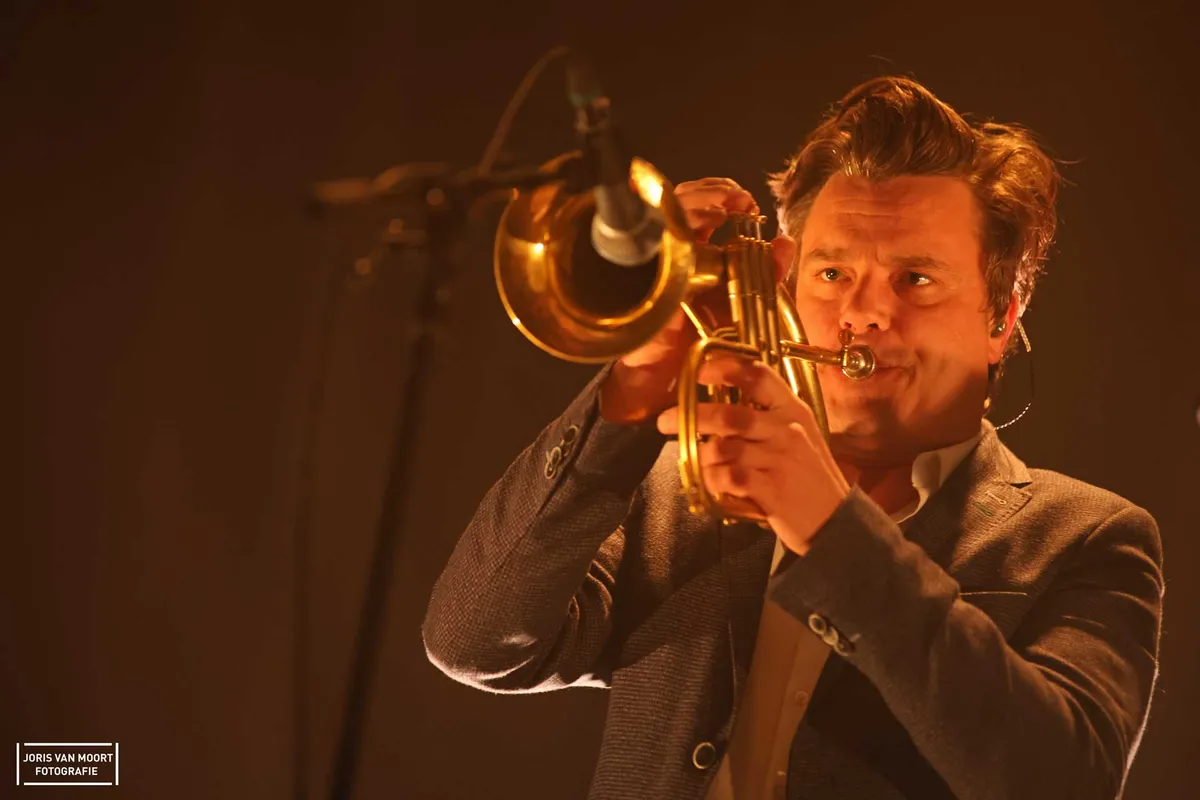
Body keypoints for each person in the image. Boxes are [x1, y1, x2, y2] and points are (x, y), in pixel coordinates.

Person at [421, 76, 1164, 799]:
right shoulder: (680, 491)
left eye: (915, 279)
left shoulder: (1088, 537)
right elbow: (473, 642)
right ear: (787, 284)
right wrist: (632, 390)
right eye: (832, 272)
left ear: (1002, 318)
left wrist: (832, 528)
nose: (862, 313)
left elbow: (1066, 781)